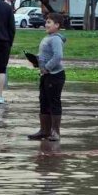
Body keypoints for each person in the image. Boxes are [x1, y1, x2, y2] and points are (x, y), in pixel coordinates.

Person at [28, 13, 67, 141]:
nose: (46, 24)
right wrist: (36, 60)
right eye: (46, 22)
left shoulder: (56, 39)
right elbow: (44, 54)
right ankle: (44, 130)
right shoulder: (48, 37)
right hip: (45, 75)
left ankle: (55, 132)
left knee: (54, 102)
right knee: (44, 101)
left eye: (49, 22)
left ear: (57, 25)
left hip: (55, 76)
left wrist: (47, 68)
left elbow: (58, 56)